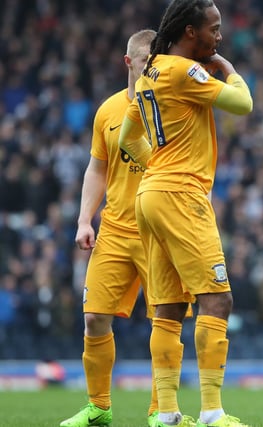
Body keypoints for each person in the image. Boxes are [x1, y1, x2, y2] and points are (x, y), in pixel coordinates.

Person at [118, 1, 253, 427]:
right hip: (181, 193)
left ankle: (169, 414)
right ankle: (212, 411)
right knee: (217, 297)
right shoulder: (181, 69)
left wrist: (157, 166)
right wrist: (228, 68)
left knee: (169, 307)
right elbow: (242, 104)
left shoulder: (149, 74)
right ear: (191, 32)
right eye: (214, 29)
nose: (219, 37)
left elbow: (128, 138)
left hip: (151, 192)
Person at [59, 29, 168, 427]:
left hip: (162, 232)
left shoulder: (174, 108)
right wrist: (84, 218)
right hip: (117, 231)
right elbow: (98, 166)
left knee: (165, 321)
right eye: (145, 65)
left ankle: (162, 412)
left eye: (157, 65)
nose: (152, 72)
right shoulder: (107, 111)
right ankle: (99, 409)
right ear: (129, 63)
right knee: (93, 318)